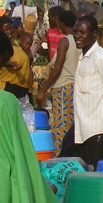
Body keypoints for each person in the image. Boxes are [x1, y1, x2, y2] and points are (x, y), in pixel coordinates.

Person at [69, 15, 103, 167]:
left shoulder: (100, 58)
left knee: (95, 171)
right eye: (75, 32)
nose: (77, 36)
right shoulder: (83, 58)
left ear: (93, 34)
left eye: (82, 32)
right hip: (83, 127)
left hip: (97, 128)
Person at [35, 8, 79, 151]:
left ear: (61, 23)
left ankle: (61, 156)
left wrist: (43, 90)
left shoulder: (65, 41)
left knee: (61, 126)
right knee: (74, 125)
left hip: (63, 87)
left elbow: (57, 69)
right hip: (77, 87)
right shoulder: (81, 41)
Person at [0, 16, 31, 98]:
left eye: (10, 28)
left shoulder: (16, 44)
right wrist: (9, 64)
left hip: (21, 88)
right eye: (6, 29)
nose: (9, 32)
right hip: (8, 87)